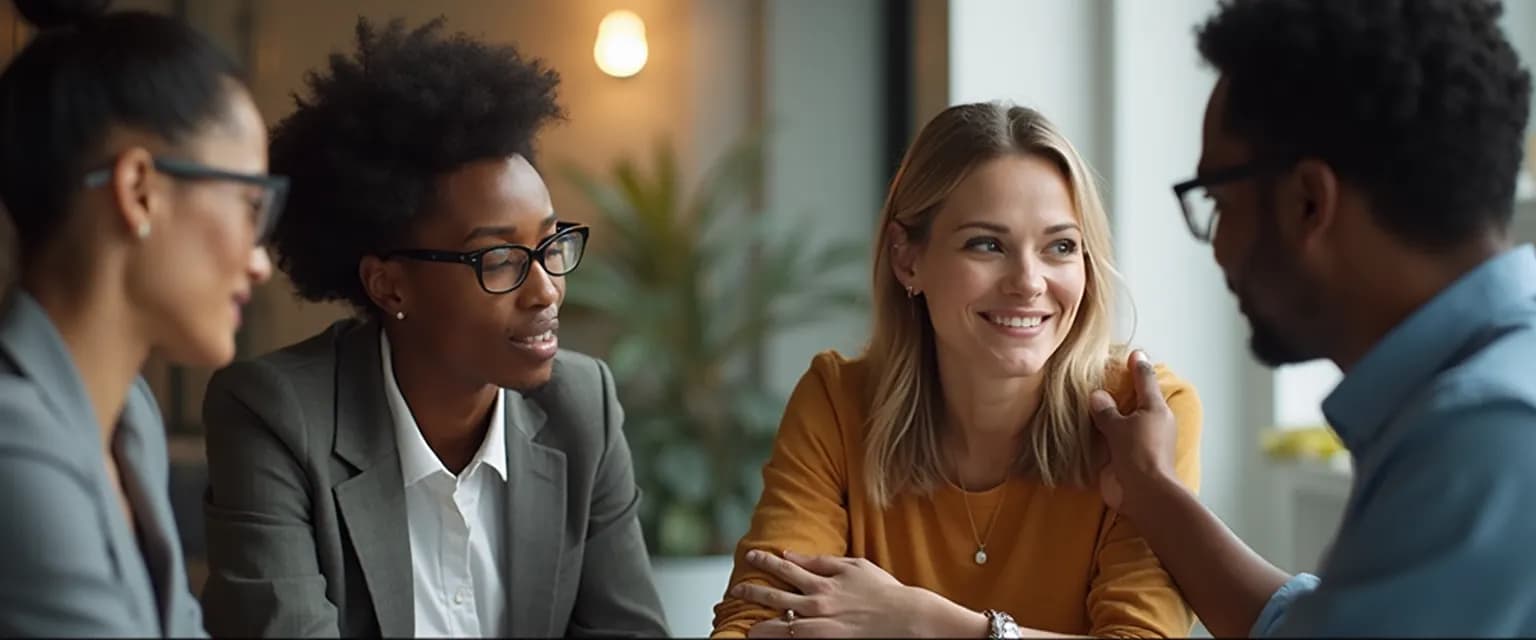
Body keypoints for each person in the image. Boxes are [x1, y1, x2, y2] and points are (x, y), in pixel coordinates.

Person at [197, 16, 668, 638]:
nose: (546, 287)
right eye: (499, 259)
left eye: (550, 244)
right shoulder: (277, 416)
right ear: (388, 284)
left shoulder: (584, 408)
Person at [1090, 0, 1536, 636]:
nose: (1216, 246)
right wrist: (1150, 490)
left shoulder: (1483, 440)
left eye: (1218, 201)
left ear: (1308, 203)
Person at [712, 102, 1202, 638]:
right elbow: (751, 624)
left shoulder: (1145, 415)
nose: (1029, 281)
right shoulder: (838, 401)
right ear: (907, 259)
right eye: (987, 244)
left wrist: (924, 622)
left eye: (1060, 247)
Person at [0, 0, 281, 635]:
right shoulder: (13, 451)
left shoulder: (132, 419)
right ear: (139, 190)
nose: (260, 261)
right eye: (250, 203)